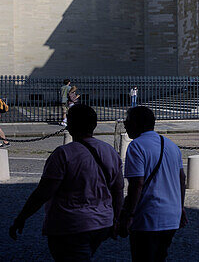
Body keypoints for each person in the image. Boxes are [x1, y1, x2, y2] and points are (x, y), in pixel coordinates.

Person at [10, 103, 122, 259]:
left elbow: (44, 192)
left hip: (71, 224)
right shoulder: (109, 151)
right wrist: (116, 218)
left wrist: (22, 217)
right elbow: (118, 190)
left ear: (70, 124)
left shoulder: (63, 154)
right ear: (94, 125)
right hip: (102, 223)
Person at [117, 106, 186, 262]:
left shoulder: (136, 146)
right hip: (171, 217)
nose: (125, 125)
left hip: (148, 216)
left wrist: (130, 214)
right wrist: (180, 207)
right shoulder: (171, 145)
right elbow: (182, 178)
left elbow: (137, 184)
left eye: (127, 122)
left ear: (135, 124)